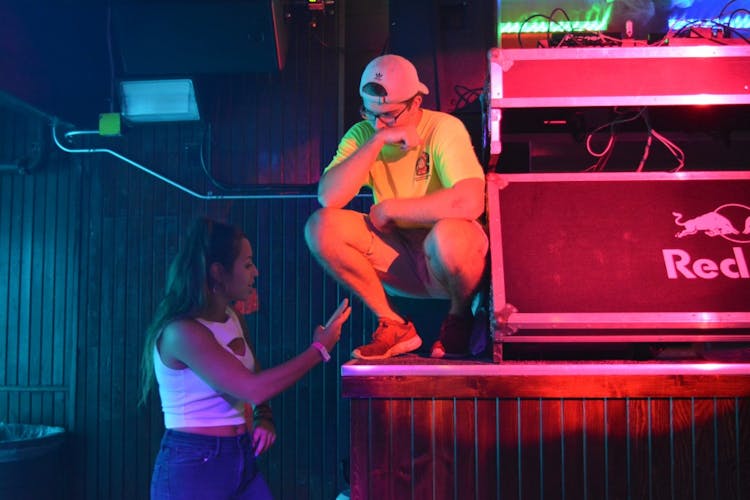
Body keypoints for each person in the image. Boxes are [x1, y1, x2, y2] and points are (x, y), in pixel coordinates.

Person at [140, 216, 351, 499]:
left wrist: (264, 416)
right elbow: (252, 388)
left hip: (240, 455)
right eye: (248, 264)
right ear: (218, 272)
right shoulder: (181, 332)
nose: (256, 272)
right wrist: (318, 350)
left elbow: (252, 375)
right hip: (195, 465)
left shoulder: (232, 317)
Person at [305, 53, 488, 360]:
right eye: (369, 113)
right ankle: (393, 324)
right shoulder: (364, 134)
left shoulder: (443, 128)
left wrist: (391, 209)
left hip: (449, 261)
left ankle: (461, 318)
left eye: (389, 115)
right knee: (320, 226)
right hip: (400, 259)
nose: (377, 123)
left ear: (415, 103)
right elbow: (329, 198)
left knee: (448, 235)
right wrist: (376, 141)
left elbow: (470, 201)